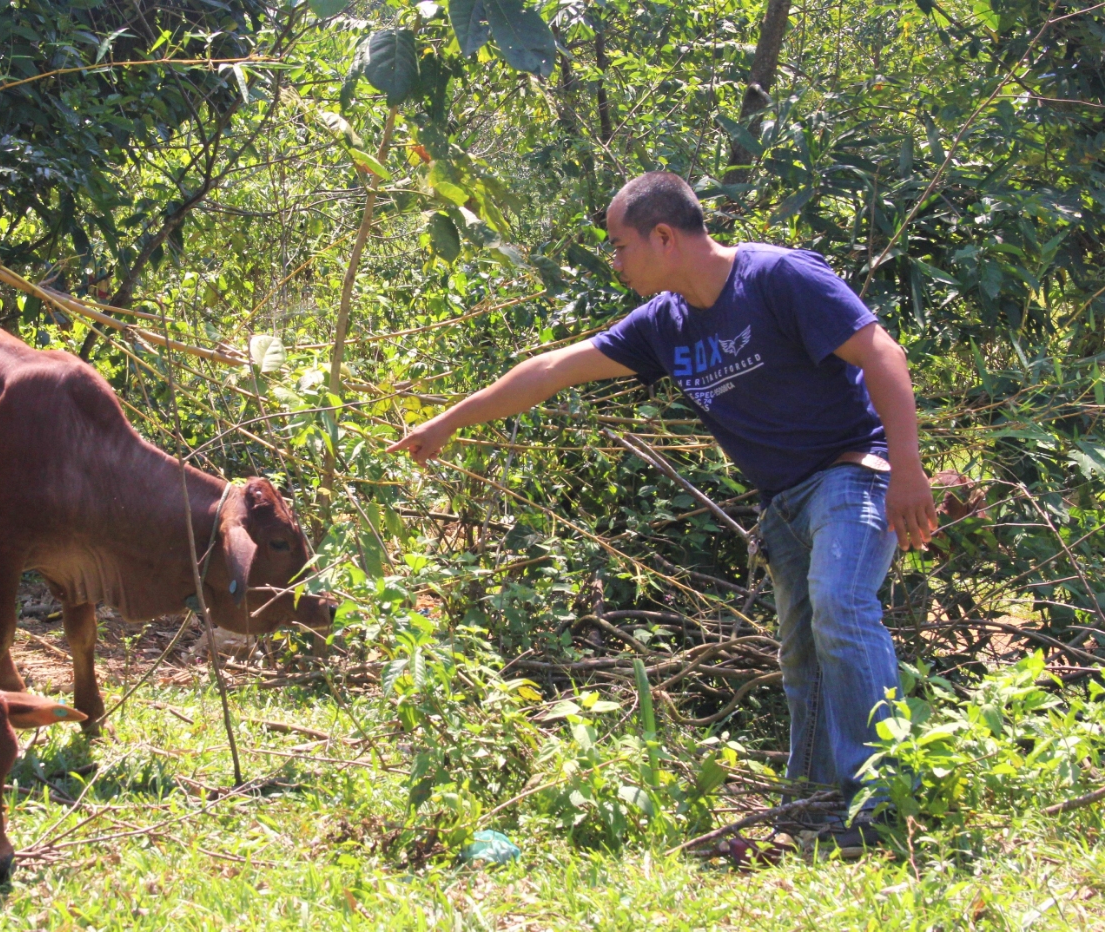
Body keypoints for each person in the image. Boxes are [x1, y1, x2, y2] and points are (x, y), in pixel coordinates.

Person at [387, 172, 938, 854]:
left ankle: (882, 805)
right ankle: (815, 803)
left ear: (665, 236)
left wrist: (909, 471)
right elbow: (555, 368)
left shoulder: (777, 277)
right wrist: (449, 420)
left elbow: (882, 354)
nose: (614, 262)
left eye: (620, 247)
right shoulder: (664, 324)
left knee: (842, 608)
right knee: (802, 650)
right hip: (785, 503)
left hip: (852, 473)